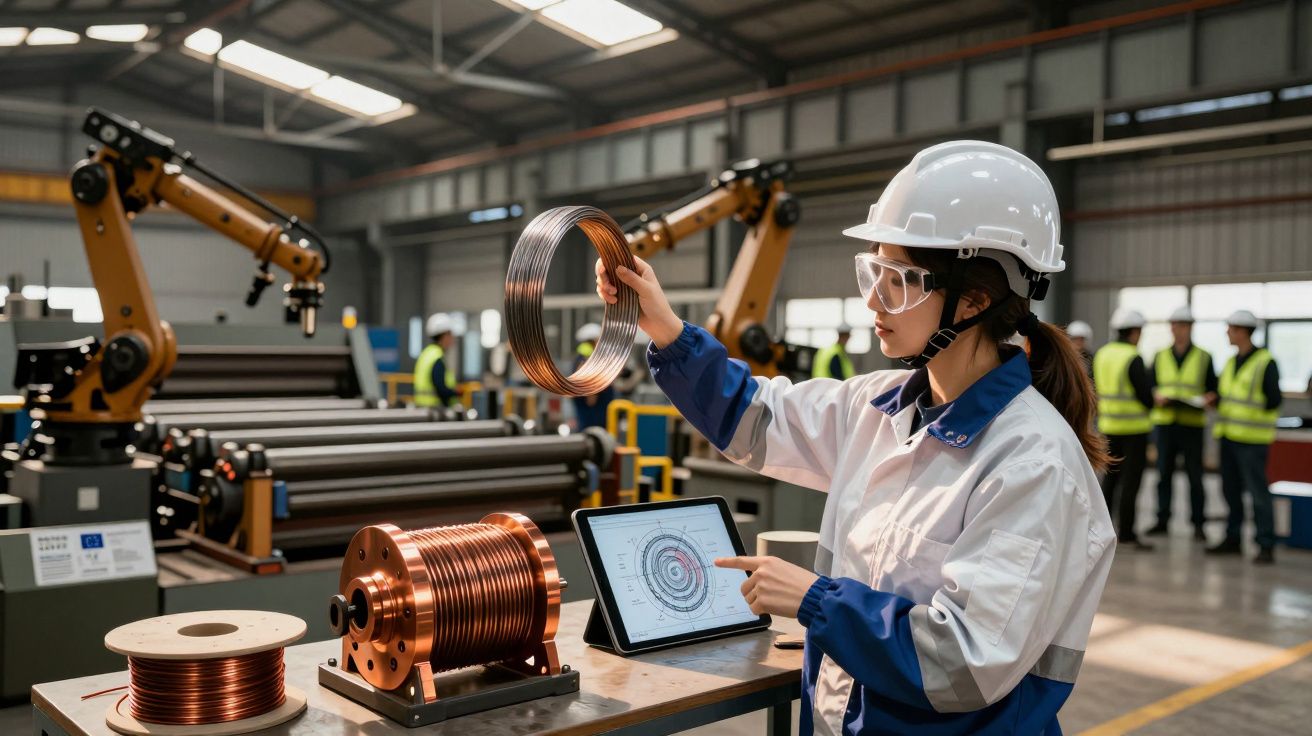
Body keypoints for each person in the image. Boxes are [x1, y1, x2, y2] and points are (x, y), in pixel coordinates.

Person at [597, 140, 1114, 735]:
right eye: (873, 272)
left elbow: (964, 664)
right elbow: (753, 416)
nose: (873, 298)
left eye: (899, 279)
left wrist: (816, 600)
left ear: (974, 298)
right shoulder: (876, 408)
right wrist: (661, 323)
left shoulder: (1033, 463)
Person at [1207, 309, 1281, 564]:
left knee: (1258, 493)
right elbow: (1226, 395)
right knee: (1231, 491)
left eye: (1230, 328)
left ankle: (1265, 544)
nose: (1227, 332)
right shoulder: (1230, 362)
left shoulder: (1265, 362)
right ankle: (1233, 538)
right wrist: (1215, 400)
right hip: (1229, 437)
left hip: (1252, 440)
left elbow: (1273, 401)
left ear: (1242, 331)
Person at [1144, 306, 1216, 541]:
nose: (1176, 329)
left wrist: (1209, 397)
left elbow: (1213, 389)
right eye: (1174, 325)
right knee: (1163, 475)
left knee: (1195, 477)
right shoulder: (1160, 355)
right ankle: (1162, 520)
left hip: (1192, 424)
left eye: (1181, 325)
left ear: (1190, 328)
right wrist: (1156, 396)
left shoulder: (1204, 357)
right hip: (1165, 424)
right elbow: (1152, 385)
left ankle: (1198, 525)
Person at [1093, 308, 1155, 550]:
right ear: (1134, 332)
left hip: (1108, 427)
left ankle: (1103, 529)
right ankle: (1127, 532)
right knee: (1131, 483)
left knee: (1109, 480)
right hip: (1134, 430)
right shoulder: (1132, 357)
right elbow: (1146, 397)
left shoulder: (1102, 354)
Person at [572, 323, 614, 429]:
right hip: (594, 417)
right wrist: (592, 397)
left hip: (595, 415)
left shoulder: (582, 358)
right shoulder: (586, 360)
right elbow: (590, 393)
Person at [414, 312, 459, 408]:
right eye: (450, 334)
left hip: (422, 408)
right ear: (444, 336)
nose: (452, 338)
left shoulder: (426, 353)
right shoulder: (437, 358)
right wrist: (457, 393)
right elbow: (440, 388)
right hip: (435, 410)